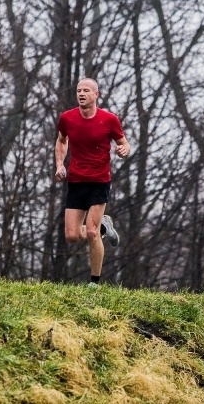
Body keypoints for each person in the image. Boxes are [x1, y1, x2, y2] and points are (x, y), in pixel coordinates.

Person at [55, 78, 130, 286]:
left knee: (91, 232)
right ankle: (105, 226)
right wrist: (59, 164)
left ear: (96, 95)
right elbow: (61, 140)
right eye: (79, 90)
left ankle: (94, 283)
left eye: (86, 91)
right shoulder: (67, 118)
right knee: (71, 236)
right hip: (76, 181)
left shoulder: (109, 120)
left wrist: (123, 150)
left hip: (99, 181)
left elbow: (124, 143)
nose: (81, 94)